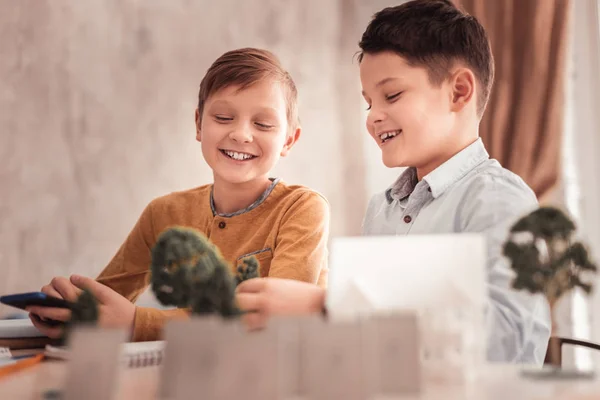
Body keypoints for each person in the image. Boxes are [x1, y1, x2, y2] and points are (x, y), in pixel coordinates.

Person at [236, 0, 551, 364]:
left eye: (392, 95)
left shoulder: (500, 201)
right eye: (369, 102)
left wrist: (329, 305)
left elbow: (508, 341)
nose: (373, 118)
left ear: (459, 91)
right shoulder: (382, 209)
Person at [27, 48, 330, 341]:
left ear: (289, 140)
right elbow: (107, 300)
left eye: (263, 124)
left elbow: (271, 320)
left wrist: (136, 323)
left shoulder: (303, 208)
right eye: (223, 117)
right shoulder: (163, 213)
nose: (241, 134)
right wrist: (68, 309)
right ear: (198, 124)